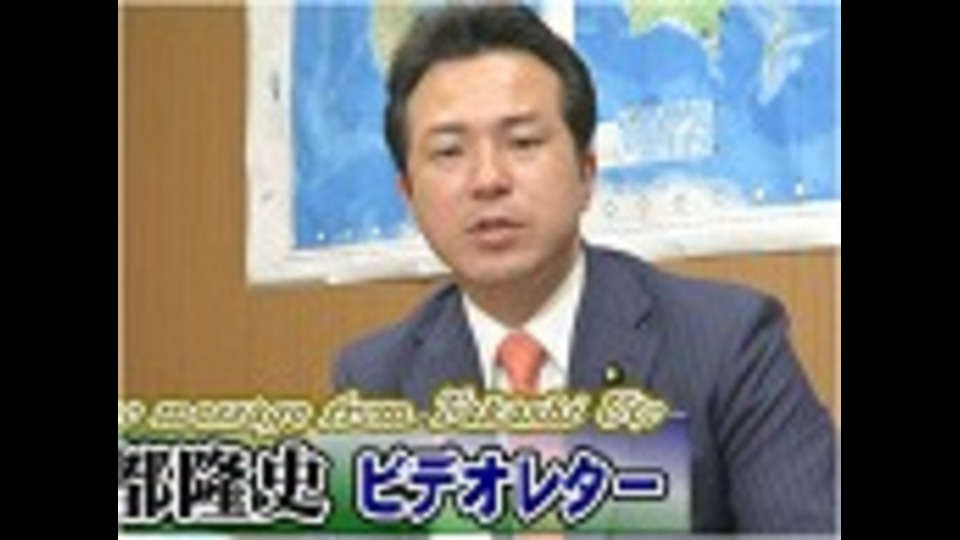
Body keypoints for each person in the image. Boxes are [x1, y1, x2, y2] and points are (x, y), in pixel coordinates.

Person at [334, 4, 837, 534]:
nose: (487, 180)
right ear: (409, 194)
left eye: (523, 142)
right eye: (449, 151)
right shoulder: (375, 380)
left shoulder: (728, 342)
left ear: (587, 172)